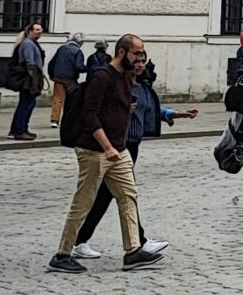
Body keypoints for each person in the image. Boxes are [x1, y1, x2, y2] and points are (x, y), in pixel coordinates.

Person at [49, 33, 166, 273]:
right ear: (122, 53)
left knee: (128, 196)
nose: (140, 59)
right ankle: (62, 254)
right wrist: (107, 146)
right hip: (95, 151)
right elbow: (89, 115)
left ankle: (133, 251)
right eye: (136, 54)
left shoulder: (125, 77)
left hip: (118, 150)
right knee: (83, 202)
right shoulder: (101, 76)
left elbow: (115, 108)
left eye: (142, 54)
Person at [73, 55, 175, 257]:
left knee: (112, 195)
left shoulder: (140, 86)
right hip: (118, 144)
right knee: (120, 194)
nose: (141, 66)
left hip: (131, 144)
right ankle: (137, 243)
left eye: (143, 61)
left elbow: (149, 109)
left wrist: (171, 114)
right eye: (137, 61)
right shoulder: (118, 85)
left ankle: (81, 241)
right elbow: (101, 113)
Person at [5, 21, 46, 138]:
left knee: (27, 103)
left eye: (41, 29)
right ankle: (20, 130)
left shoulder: (32, 43)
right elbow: (29, 62)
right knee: (26, 104)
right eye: (37, 29)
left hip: (30, 77)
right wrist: (34, 79)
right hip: (28, 79)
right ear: (30, 31)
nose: (40, 31)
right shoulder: (28, 44)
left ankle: (18, 129)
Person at [47, 32, 86, 132]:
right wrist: (87, 69)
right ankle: (68, 119)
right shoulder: (78, 51)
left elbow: (52, 63)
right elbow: (78, 67)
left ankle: (54, 120)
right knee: (71, 100)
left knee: (58, 98)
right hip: (71, 80)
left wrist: (52, 75)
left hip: (59, 78)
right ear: (79, 42)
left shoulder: (61, 49)